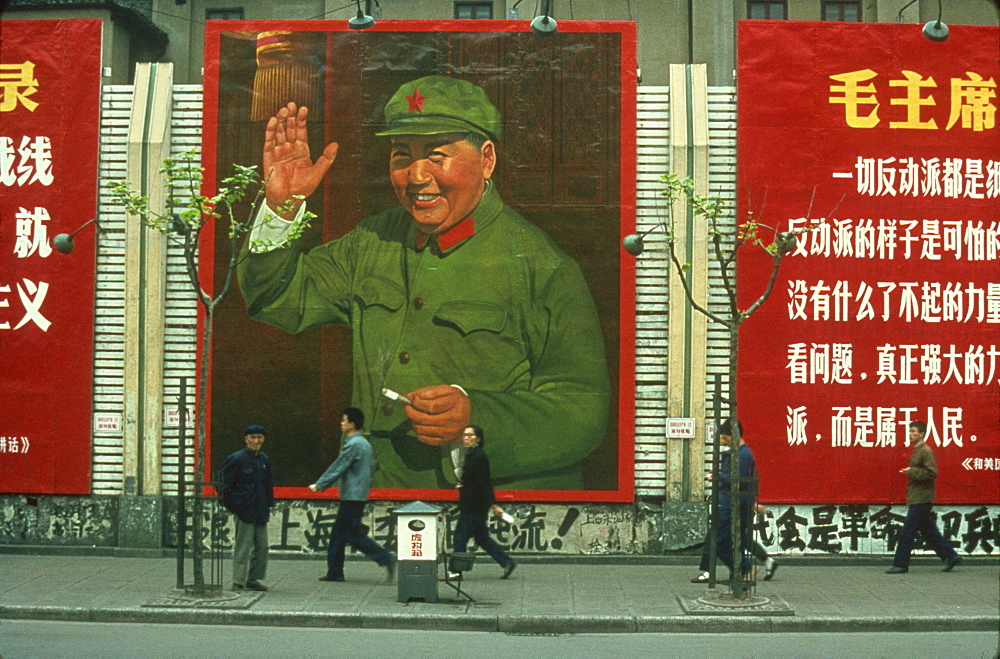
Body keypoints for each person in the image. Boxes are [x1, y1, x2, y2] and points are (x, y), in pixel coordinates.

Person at [238, 74, 610, 491]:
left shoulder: (542, 266)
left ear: (487, 159)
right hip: (377, 496)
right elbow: (274, 298)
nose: (416, 176)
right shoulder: (370, 242)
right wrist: (282, 206)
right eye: (401, 156)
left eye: (436, 155)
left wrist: (476, 417)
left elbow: (584, 410)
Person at [309, 407, 395, 582]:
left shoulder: (354, 444)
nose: (341, 423)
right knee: (338, 534)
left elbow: (339, 466)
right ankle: (335, 571)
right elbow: (371, 470)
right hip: (357, 495)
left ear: (352, 424)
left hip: (352, 496)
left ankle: (385, 558)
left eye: (344, 420)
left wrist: (320, 485)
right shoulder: (365, 444)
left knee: (351, 534)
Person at [886, 421, 962, 574]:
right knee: (928, 531)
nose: (910, 433)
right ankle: (951, 556)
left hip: (921, 498)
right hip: (918, 497)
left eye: (913, 431)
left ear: (921, 434)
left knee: (907, 532)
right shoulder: (917, 449)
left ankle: (901, 564)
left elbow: (932, 472)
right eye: (909, 431)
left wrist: (912, 471)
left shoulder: (925, 450)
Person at [691, 420, 758, 584]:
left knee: (721, 542)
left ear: (730, 436)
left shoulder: (742, 455)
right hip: (730, 504)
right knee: (729, 541)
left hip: (733, 505)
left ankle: (745, 568)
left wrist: (718, 477)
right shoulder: (735, 453)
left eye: (722, 435)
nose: (719, 438)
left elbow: (738, 480)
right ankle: (740, 577)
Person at [452, 425, 516, 579]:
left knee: (460, 538)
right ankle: (506, 562)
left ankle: (455, 571)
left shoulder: (479, 457)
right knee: (482, 538)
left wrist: (494, 505)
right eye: (464, 435)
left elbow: (484, 482)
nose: (466, 438)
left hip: (473, 506)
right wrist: (464, 485)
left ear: (478, 438)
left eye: (470, 435)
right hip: (475, 504)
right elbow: (474, 480)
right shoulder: (472, 454)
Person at [217, 424, 274, 591]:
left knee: (262, 547)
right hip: (244, 510)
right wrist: (233, 504)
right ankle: (238, 581)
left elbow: (268, 484)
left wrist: (269, 504)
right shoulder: (237, 459)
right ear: (246, 439)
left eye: (259, 438)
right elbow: (221, 483)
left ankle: (253, 579)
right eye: (253, 437)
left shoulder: (264, 459)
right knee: (243, 547)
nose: (256, 441)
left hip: (260, 509)